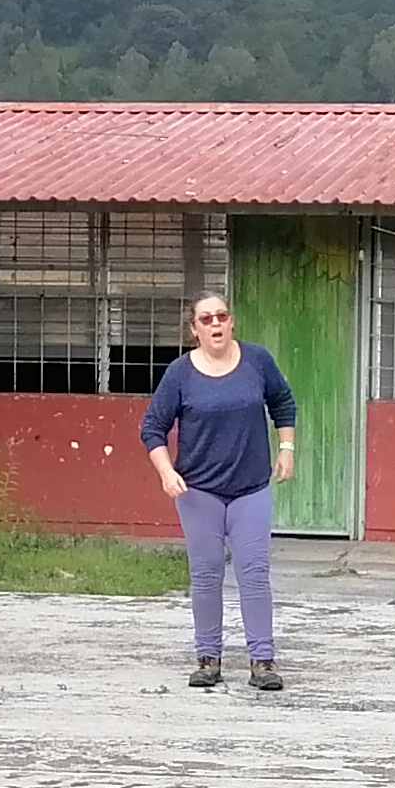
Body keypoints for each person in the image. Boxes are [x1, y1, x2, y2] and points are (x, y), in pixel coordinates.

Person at [141, 291, 296, 692]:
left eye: (221, 317)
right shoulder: (180, 373)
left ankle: (263, 660)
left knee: (254, 573)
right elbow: (152, 428)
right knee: (206, 574)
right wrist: (165, 471)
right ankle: (207, 658)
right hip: (200, 491)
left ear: (232, 322)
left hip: (250, 488)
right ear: (194, 329)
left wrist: (287, 449)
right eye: (206, 319)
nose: (215, 325)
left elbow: (283, 403)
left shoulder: (257, 361)